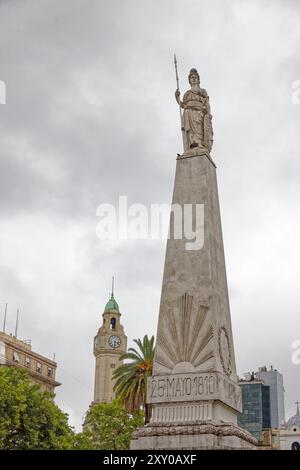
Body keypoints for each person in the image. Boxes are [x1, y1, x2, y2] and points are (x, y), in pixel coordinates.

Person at [175, 68, 213, 153]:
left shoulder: (202, 91)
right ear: (189, 80)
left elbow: (207, 103)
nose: (194, 79)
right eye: (192, 77)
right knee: (191, 132)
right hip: (188, 113)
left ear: (198, 79)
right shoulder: (187, 94)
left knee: (199, 130)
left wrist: (209, 114)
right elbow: (183, 105)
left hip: (199, 113)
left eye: (195, 77)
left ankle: (200, 145)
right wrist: (177, 98)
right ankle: (193, 145)